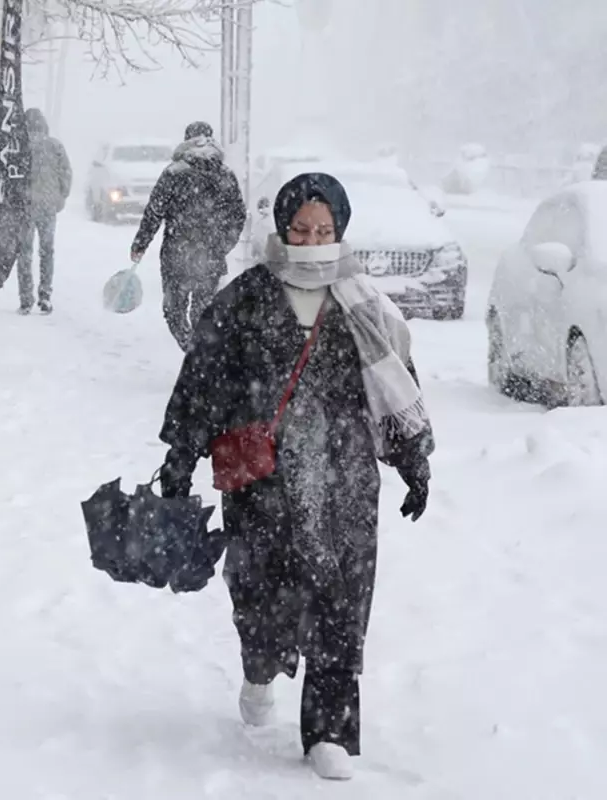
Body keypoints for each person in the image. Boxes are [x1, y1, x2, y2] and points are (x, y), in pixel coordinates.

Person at [156, 173, 435, 780]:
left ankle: (329, 730)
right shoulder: (246, 297)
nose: (312, 242)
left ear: (340, 231)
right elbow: (202, 382)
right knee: (262, 595)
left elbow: (396, 384)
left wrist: (414, 459)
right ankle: (260, 667)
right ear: (282, 229)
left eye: (324, 231)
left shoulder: (361, 301)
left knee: (342, 599)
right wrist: (180, 459)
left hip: (346, 476)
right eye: (301, 230)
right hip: (264, 479)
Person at [129, 121, 247, 352]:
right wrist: (223, 245)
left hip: (177, 254)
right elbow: (238, 215)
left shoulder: (174, 172)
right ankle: (201, 357)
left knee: (174, 312)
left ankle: (192, 351)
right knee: (202, 312)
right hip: (211, 256)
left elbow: (154, 211)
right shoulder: (225, 174)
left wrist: (140, 244)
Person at [17, 108, 72, 315]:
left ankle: (25, 298)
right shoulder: (55, 145)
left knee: (24, 253)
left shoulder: (19, 147)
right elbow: (66, 172)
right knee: (47, 251)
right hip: (48, 206)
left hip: (25, 206)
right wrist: (61, 196)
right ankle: (45, 294)